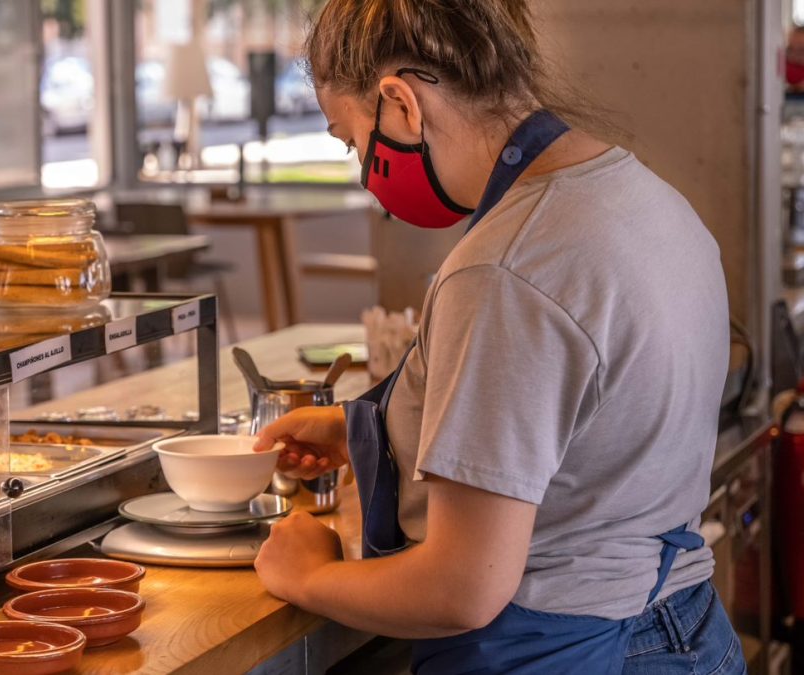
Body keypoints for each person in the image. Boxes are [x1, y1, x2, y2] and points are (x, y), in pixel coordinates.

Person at [252, 1, 744, 673]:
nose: (364, 172)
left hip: (570, 650)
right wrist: (370, 431)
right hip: (688, 633)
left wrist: (306, 575)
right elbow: (589, 426)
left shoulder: (505, 268)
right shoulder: (647, 200)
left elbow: (462, 587)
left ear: (400, 104)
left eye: (351, 140)